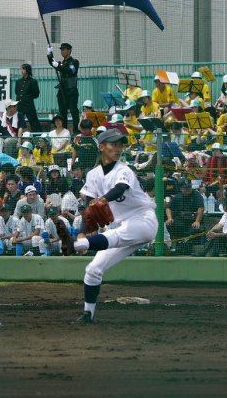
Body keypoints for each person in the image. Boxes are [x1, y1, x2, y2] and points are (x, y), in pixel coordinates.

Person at [74, 129, 158, 324]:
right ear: (101, 147)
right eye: (113, 144)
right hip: (120, 226)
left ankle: (78, 245)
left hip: (142, 220)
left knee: (113, 236)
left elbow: (120, 188)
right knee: (93, 269)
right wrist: (81, 233)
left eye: (120, 144)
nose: (118, 148)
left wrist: (102, 200)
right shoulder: (94, 175)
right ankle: (88, 313)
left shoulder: (123, 170)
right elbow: (89, 207)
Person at [166, 178, 204, 255]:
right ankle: (176, 244)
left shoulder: (196, 194)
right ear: (181, 189)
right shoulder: (177, 197)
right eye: (185, 188)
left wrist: (197, 221)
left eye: (189, 187)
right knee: (170, 224)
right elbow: (168, 208)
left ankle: (188, 247)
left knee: (195, 229)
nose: (188, 189)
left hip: (192, 220)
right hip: (180, 221)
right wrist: (170, 218)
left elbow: (201, 208)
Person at [47, 43, 80, 133]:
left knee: (74, 112)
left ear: (69, 50)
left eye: (64, 49)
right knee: (62, 113)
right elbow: (52, 63)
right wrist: (49, 54)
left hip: (71, 91)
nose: (62, 51)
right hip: (62, 92)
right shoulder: (62, 63)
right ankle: (64, 132)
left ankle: (76, 132)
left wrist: (58, 66)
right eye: (61, 50)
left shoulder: (74, 62)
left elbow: (71, 71)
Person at [15, 64, 41, 133]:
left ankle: (37, 136)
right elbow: (16, 92)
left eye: (23, 69)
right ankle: (15, 136)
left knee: (34, 122)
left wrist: (28, 97)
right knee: (17, 122)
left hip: (29, 105)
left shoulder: (33, 81)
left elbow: (36, 94)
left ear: (27, 70)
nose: (22, 71)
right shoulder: (18, 81)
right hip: (20, 105)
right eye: (21, 69)